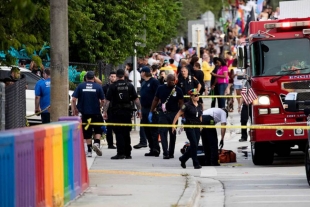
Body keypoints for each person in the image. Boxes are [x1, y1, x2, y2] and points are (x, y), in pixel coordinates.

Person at [103, 69, 142, 159]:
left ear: (116, 76)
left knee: (118, 132)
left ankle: (120, 153)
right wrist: (139, 111)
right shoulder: (129, 85)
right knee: (126, 132)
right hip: (127, 112)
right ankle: (128, 153)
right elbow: (136, 100)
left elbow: (107, 101)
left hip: (116, 112)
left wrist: (105, 111)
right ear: (124, 75)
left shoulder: (113, 86)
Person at [149, 74, 184, 159]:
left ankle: (171, 152)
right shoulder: (161, 88)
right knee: (162, 133)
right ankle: (165, 152)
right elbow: (156, 99)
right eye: (170, 80)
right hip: (163, 114)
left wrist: (183, 115)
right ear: (166, 80)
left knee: (172, 133)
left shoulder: (178, 90)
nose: (172, 82)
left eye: (173, 80)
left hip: (174, 114)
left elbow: (181, 103)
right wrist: (151, 111)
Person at [71, 71, 105, 157]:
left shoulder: (80, 86)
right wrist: (100, 106)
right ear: (94, 78)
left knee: (87, 131)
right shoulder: (98, 87)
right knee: (98, 128)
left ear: (86, 78)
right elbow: (103, 100)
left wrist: (75, 109)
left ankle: (89, 151)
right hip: (96, 112)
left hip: (84, 113)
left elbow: (74, 99)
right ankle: (97, 143)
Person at [172, 89, 203, 169]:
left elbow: (200, 116)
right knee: (194, 144)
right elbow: (178, 114)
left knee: (194, 145)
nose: (197, 97)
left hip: (197, 126)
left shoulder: (199, 105)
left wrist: (201, 125)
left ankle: (183, 158)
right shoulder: (186, 105)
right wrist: (173, 125)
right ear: (191, 96)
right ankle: (195, 163)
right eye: (195, 95)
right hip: (189, 126)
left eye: (198, 95)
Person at [139, 66, 161, 156]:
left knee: (153, 130)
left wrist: (155, 107)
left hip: (152, 109)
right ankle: (151, 148)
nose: (140, 74)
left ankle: (156, 148)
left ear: (144, 73)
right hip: (144, 108)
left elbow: (158, 96)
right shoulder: (144, 82)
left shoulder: (154, 82)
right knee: (146, 129)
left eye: (141, 72)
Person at [102, 71, 117, 149]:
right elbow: (104, 99)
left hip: (117, 109)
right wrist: (104, 110)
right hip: (109, 109)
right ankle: (110, 144)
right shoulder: (105, 87)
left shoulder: (118, 86)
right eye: (112, 76)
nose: (113, 78)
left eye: (114, 76)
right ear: (109, 77)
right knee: (109, 128)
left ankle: (119, 143)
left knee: (117, 128)